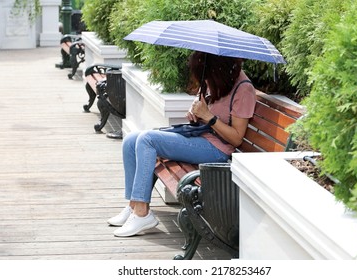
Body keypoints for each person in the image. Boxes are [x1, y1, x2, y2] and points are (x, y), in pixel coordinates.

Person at [108, 51, 256, 237]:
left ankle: (142, 213)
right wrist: (195, 111)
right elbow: (206, 107)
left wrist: (208, 117)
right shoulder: (218, 79)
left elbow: (236, 138)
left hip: (217, 150)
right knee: (131, 140)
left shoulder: (243, 89)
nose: (206, 80)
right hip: (198, 137)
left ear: (218, 68)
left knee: (147, 140)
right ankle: (133, 206)